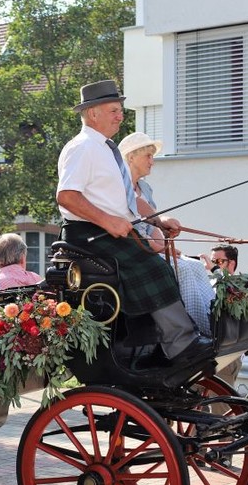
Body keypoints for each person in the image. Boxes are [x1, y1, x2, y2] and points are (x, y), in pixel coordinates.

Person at [56, 80, 212, 369]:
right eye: (114, 110)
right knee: (152, 268)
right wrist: (107, 221)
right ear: (93, 114)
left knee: (159, 265)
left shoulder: (107, 148)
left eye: (120, 110)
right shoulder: (82, 147)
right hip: (88, 235)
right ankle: (180, 344)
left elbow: (127, 196)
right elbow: (66, 196)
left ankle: (161, 346)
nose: (120, 116)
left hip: (110, 229)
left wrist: (158, 219)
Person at [119, 131, 216, 337]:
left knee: (196, 265)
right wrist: (158, 248)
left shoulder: (145, 188)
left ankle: (214, 320)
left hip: (151, 249)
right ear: (131, 157)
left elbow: (153, 224)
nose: (152, 162)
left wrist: (165, 243)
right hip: (132, 250)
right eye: (148, 156)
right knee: (183, 270)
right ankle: (196, 331)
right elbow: (131, 226)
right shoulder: (119, 186)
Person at [200, 243, 243, 386]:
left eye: (219, 262)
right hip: (209, 353)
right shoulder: (213, 282)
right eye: (213, 261)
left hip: (226, 356)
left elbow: (228, 288)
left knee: (221, 408)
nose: (214, 265)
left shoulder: (237, 284)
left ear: (232, 263)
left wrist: (213, 269)